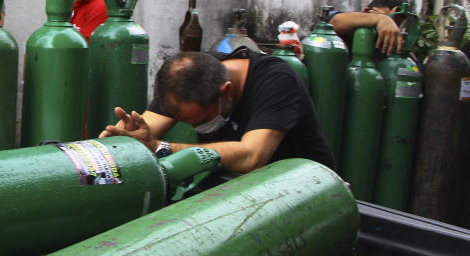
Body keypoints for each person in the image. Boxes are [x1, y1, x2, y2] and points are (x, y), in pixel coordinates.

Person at [100, 48, 335, 173]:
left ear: (226, 92)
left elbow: (251, 156)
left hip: (306, 189)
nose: (194, 128)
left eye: (201, 120)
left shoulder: (276, 81)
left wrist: (161, 148)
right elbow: (146, 131)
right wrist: (127, 138)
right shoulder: (187, 77)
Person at [329, 0, 405, 57]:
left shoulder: (396, 46)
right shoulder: (348, 29)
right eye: (386, 25)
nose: (389, 30)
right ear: (366, 11)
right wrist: (381, 19)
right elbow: (333, 22)